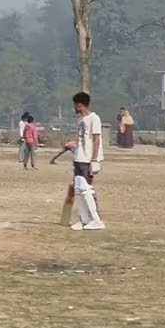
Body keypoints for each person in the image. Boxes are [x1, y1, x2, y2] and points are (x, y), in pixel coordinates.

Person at [61, 91, 105, 231]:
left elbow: (97, 139)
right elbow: (81, 139)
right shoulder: (81, 120)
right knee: (79, 190)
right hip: (79, 158)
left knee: (86, 190)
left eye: (75, 105)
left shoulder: (94, 118)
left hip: (87, 159)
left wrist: (94, 159)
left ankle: (96, 220)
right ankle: (84, 219)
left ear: (80, 105)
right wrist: (72, 144)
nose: (74, 107)